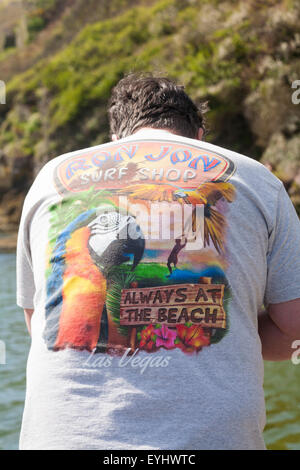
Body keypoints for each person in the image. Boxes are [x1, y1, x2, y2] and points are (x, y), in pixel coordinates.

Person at [16, 73, 300, 450]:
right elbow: (295, 329)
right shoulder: (256, 179)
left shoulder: (50, 177)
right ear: (199, 136)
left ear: (116, 139)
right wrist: (223, 329)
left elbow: (41, 323)